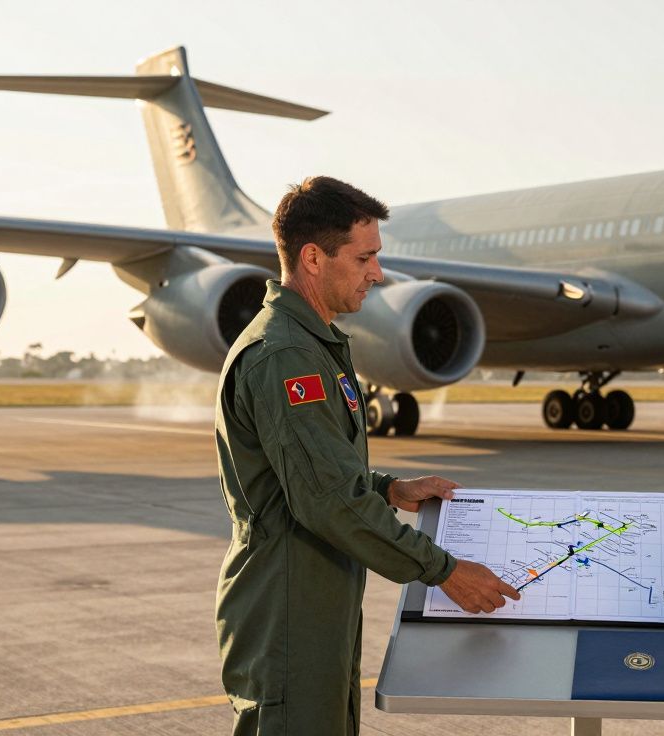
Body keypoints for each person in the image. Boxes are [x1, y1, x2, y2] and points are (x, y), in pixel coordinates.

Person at [213, 176, 519, 735]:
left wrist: (388, 490)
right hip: (288, 609)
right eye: (365, 257)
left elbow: (312, 471)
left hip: (314, 599)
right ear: (312, 257)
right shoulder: (286, 356)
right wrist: (445, 571)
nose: (377, 274)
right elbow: (329, 501)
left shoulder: (312, 345)